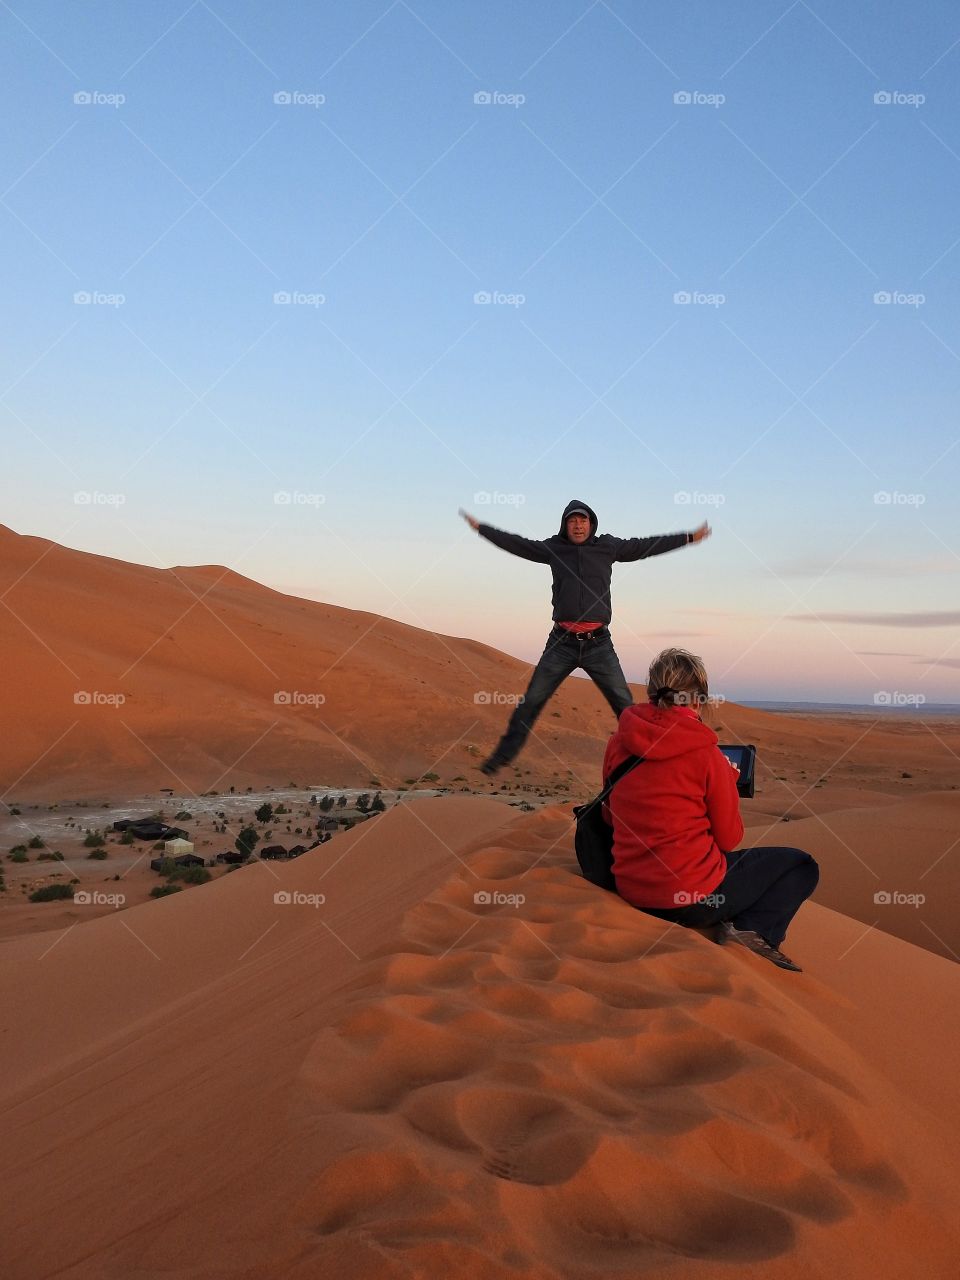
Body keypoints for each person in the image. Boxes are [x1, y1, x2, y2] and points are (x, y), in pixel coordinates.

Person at [602, 647, 818, 972]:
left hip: (630, 889)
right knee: (801, 865)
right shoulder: (706, 754)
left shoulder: (619, 742)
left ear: (651, 691)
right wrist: (726, 784)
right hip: (690, 900)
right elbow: (729, 839)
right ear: (697, 699)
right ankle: (750, 933)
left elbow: (608, 816)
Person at [461, 499, 710, 775]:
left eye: (583, 521)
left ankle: (647, 762)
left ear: (591, 524)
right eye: (572, 521)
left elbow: (645, 546)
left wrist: (687, 537)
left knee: (625, 708)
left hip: (599, 644)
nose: (578, 526)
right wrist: (483, 529)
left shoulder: (607, 546)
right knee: (531, 701)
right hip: (561, 643)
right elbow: (518, 544)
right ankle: (501, 757)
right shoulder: (554, 549)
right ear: (565, 525)